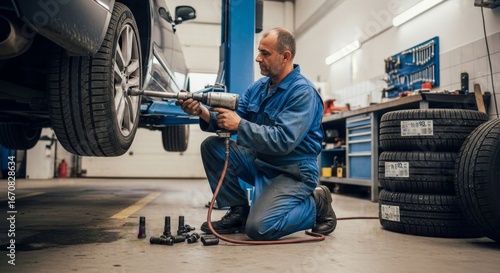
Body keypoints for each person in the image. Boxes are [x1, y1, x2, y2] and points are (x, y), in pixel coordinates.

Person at [177, 27, 336, 240]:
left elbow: (283, 140)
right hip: (261, 162)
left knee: (259, 228)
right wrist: (203, 112)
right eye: (259, 51)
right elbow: (231, 120)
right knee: (212, 147)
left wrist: (240, 125)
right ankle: (239, 211)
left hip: (293, 171)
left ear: (285, 56)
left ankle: (317, 202)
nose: (258, 58)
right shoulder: (259, 87)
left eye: (265, 53)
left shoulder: (303, 93)